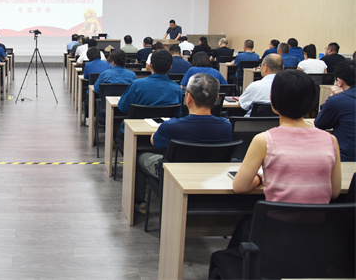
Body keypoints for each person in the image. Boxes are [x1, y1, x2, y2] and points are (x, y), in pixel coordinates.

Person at [220, 69, 341, 253]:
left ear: (273, 102)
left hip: (275, 236)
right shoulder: (331, 140)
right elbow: (335, 191)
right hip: (317, 240)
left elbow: (240, 186)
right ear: (312, 103)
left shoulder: (264, 140)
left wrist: (261, 178)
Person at [137, 73, 232, 212]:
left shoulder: (170, 126)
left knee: (140, 156)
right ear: (217, 98)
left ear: (188, 97)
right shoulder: (226, 126)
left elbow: (155, 142)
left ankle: (138, 202)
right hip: (210, 176)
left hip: (174, 176)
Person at [118, 49, 183, 135]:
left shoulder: (137, 85)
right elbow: (177, 115)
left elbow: (123, 107)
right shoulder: (177, 89)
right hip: (164, 134)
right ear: (170, 67)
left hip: (135, 132)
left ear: (151, 65)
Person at [315, 60, 355, 161]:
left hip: (346, 159)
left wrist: (332, 97)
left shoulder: (337, 100)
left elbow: (319, 124)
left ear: (339, 82)